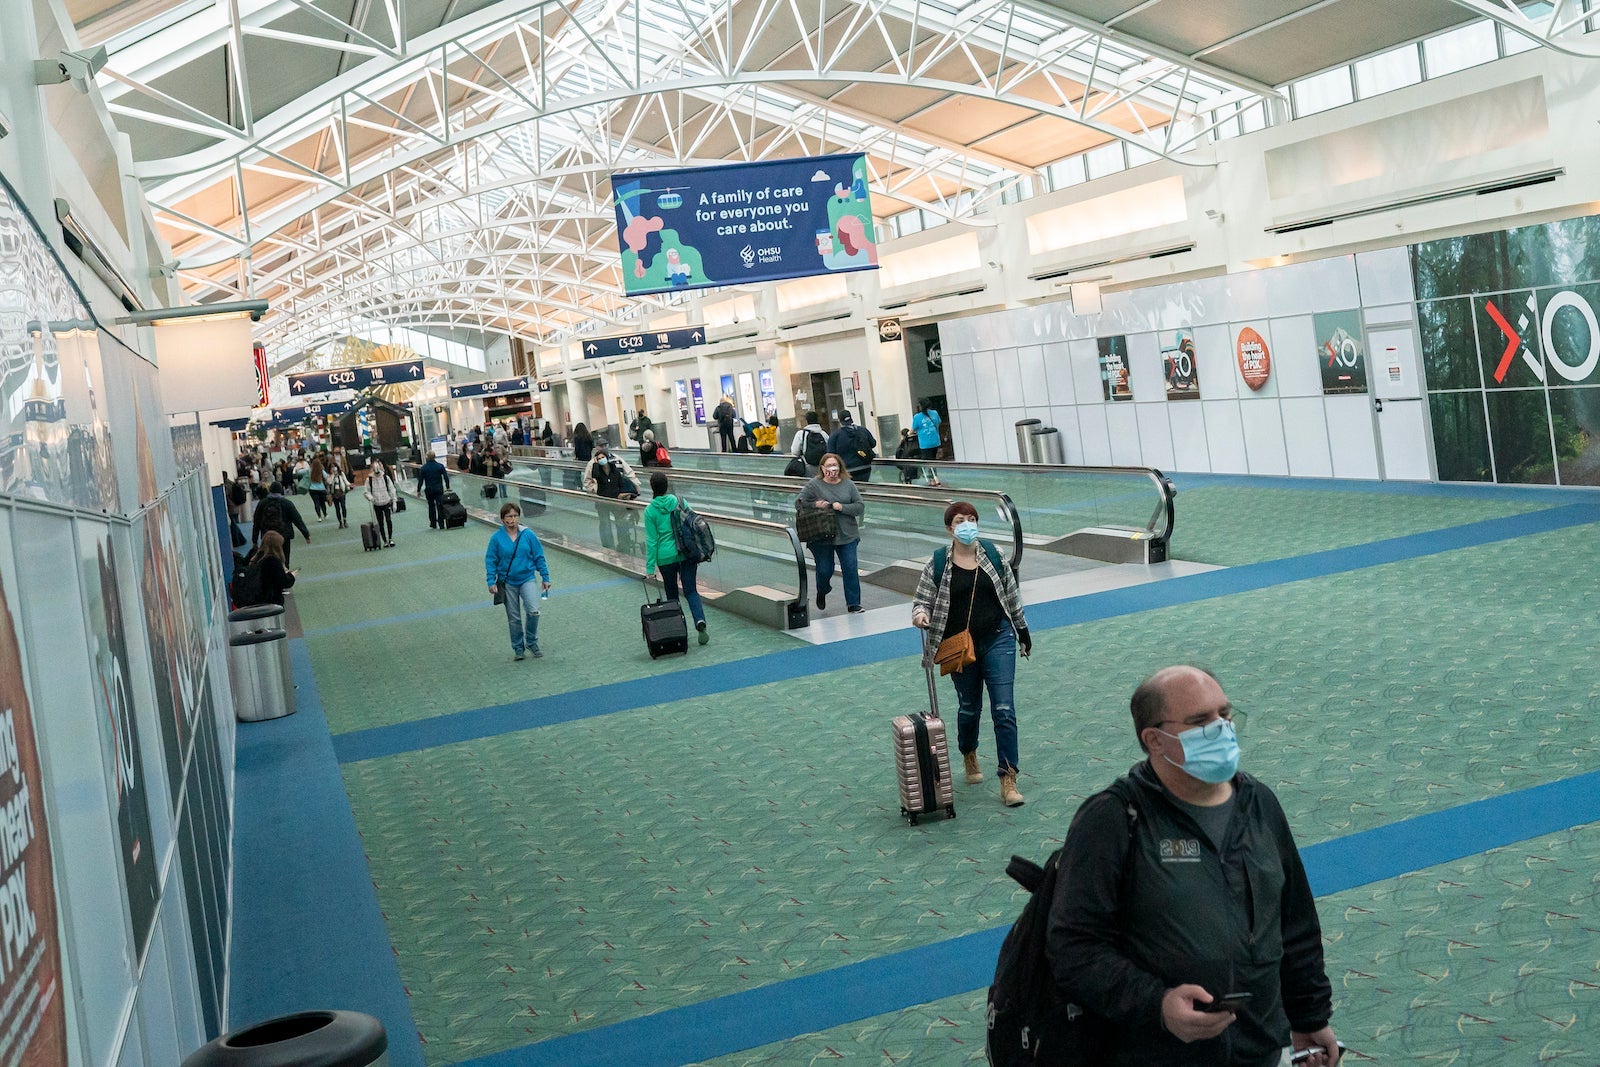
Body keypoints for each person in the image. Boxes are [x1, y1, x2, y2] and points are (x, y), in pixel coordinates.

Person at [1047, 666, 1341, 1067]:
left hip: (1259, 1049)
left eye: (1225, 714)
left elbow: (1296, 924)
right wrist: (1159, 1004)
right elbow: (1073, 948)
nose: (1221, 729)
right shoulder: (1114, 819)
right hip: (1155, 1054)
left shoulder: (1259, 804)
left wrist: (1310, 1016)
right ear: (1154, 740)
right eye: (1201, 721)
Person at [910, 501, 1030, 806]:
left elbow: (1010, 593)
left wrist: (1022, 630)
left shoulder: (992, 554)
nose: (968, 525)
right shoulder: (938, 563)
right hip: (959, 646)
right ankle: (969, 752)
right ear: (950, 527)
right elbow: (921, 602)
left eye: (972, 519)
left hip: (998, 637)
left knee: (1003, 708)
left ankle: (1008, 778)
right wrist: (921, 615)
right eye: (961, 520)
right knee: (969, 709)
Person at [643, 471, 709, 645]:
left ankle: (678, 630)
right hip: (685, 553)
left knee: (672, 595)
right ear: (667, 486)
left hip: (665, 558)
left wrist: (650, 568)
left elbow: (651, 541)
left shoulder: (650, 510)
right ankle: (699, 620)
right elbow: (692, 522)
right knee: (691, 591)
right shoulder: (679, 501)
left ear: (652, 488)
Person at [796, 453, 865, 614]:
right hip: (822, 535)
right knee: (825, 569)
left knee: (850, 566)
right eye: (829, 466)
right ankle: (822, 590)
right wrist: (816, 505)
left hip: (847, 534)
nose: (832, 470)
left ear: (840, 467)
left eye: (835, 466)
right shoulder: (814, 485)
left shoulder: (848, 484)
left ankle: (854, 603)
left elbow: (860, 506)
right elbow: (799, 503)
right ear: (822, 468)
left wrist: (842, 507)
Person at [484, 501, 551, 661]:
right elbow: (491, 560)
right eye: (509, 516)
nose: (512, 519)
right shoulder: (497, 538)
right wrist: (491, 581)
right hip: (507, 582)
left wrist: (545, 576)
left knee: (533, 611)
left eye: (515, 516)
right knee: (514, 618)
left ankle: (531, 641)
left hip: (527, 578)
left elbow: (539, 556)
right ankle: (518, 647)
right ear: (502, 519)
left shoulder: (528, 535)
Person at [583, 440, 640, 550]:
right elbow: (587, 482)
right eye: (601, 446)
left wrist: (636, 487)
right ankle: (608, 547)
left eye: (605, 445)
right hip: (602, 499)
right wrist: (596, 490)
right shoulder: (592, 464)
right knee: (605, 522)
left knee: (621, 521)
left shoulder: (617, 459)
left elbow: (628, 472)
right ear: (596, 447)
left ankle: (624, 544)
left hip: (617, 498)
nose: (604, 447)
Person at [251, 481, 311, 566]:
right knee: (284, 559)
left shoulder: (262, 504)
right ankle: (284, 575)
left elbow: (256, 523)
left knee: (268, 560)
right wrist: (306, 534)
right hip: (284, 535)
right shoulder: (287, 503)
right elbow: (297, 519)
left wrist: (254, 540)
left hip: (267, 536)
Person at [241, 531, 297, 605]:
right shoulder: (272, 560)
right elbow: (285, 582)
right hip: (269, 601)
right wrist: (291, 575)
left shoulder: (257, 557)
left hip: (256, 598)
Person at [826, 410, 877, 482]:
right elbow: (873, 443)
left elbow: (830, 455)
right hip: (865, 468)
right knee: (863, 488)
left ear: (839, 421)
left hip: (847, 470)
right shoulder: (863, 430)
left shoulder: (835, 436)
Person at [364, 459, 398, 548]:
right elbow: (366, 491)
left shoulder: (386, 478)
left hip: (386, 502)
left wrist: (394, 501)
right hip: (377, 504)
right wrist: (370, 497)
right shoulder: (369, 480)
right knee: (380, 523)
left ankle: (390, 538)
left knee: (388, 520)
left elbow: (392, 489)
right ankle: (384, 540)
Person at [417, 451, 451, 530]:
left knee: (431, 506)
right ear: (435, 456)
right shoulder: (440, 466)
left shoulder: (424, 468)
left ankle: (433, 523)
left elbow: (421, 480)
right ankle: (441, 523)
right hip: (439, 489)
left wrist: (418, 490)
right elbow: (446, 477)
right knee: (440, 506)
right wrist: (448, 486)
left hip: (429, 489)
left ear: (427, 457)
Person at [790, 411, 828, 476]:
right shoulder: (823, 434)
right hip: (823, 467)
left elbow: (795, 451)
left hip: (807, 466)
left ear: (807, 421)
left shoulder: (801, 434)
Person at [326, 460, 351, 529]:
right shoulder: (329, 475)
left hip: (341, 492)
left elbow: (345, 481)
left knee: (343, 506)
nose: (334, 468)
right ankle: (340, 522)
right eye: (332, 467)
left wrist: (349, 485)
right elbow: (329, 482)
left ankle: (345, 520)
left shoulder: (341, 474)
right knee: (337, 509)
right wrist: (333, 474)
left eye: (335, 467)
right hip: (334, 494)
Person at [307, 455, 329, 521]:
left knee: (316, 503)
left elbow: (307, 478)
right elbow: (326, 477)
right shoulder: (321, 471)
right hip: (321, 489)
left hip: (312, 489)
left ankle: (319, 517)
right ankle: (325, 514)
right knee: (322, 503)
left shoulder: (310, 471)